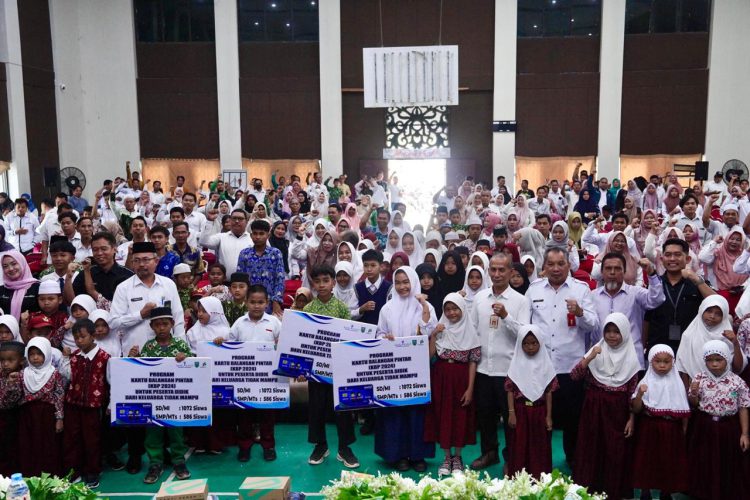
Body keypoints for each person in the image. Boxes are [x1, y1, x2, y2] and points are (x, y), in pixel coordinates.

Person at [526, 247, 597, 465]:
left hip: (570, 366)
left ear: (569, 265)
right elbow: (526, 325)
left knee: (572, 418)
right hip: (542, 365)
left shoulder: (581, 289)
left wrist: (580, 313)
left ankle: (573, 458)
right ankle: (540, 460)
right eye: (551, 264)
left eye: (560, 264)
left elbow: (593, 325)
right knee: (541, 417)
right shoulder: (534, 289)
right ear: (544, 267)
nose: (556, 269)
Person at [571, 313, 640, 499]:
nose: (611, 336)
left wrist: (631, 419)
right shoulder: (596, 350)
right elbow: (574, 375)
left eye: (616, 332)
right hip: (594, 408)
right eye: (608, 331)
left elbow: (632, 394)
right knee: (591, 447)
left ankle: (612, 490)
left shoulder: (631, 359)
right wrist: (590, 357)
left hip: (618, 412)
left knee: (614, 450)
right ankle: (589, 488)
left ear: (624, 333)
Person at [375, 266, 436, 472]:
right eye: (398, 282)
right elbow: (379, 333)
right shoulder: (387, 308)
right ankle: (398, 455)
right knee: (395, 411)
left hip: (418, 369)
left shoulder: (425, 307)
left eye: (406, 282)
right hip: (393, 369)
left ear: (413, 282)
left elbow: (430, 333)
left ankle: (418, 455)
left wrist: (424, 306)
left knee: (417, 411)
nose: (402, 287)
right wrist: (386, 338)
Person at [303, 265, 359, 468]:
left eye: (326, 280)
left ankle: (344, 448)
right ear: (313, 284)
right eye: (317, 281)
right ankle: (320, 445)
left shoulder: (342, 308)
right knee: (316, 408)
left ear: (333, 282)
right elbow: (303, 341)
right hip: (316, 370)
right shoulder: (308, 310)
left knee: (342, 409)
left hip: (339, 369)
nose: (322, 285)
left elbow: (348, 339)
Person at [128, 307, 192, 484]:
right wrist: (134, 358)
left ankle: (178, 461)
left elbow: (192, 368)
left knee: (176, 431)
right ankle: (155, 463)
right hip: (153, 400)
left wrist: (185, 358)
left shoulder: (180, 345)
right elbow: (140, 371)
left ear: (172, 324)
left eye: (165, 324)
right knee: (153, 432)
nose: (161, 328)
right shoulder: (148, 347)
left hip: (176, 399)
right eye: (157, 325)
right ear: (151, 326)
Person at [424, 293, 481, 475]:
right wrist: (434, 334)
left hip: (461, 379)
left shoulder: (471, 332)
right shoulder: (441, 329)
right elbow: (430, 355)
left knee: (459, 416)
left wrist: (470, 389)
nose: (451, 313)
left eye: (455, 308)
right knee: (443, 415)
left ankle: (458, 457)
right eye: (447, 309)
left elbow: (473, 362)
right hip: (441, 378)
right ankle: (446, 457)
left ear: (462, 308)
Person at [686, 340, 750, 500]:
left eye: (718, 359)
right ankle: (704, 493)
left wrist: (744, 434)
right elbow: (694, 403)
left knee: (727, 461)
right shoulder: (699, 378)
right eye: (709, 360)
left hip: (728, 428)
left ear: (727, 358)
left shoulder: (737, 382)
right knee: (704, 460)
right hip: (704, 426)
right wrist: (693, 393)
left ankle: (724, 493)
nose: (714, 364)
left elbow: (743, 408)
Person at [109, 241, 186, 371]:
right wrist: (140, 315)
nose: (141, 264)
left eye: (146, 260)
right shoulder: (123, 288)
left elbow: (178, 319)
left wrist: (180, 347)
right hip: (135, 355)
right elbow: (113, 322)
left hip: (168, 354)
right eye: (137, 260)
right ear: (132, 263)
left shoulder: (168, 284)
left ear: (156, 261)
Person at [630, 344, 690, 497]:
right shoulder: (646, 381)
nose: (662, 365)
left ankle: (666, 491)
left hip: (671, 428)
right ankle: (645, 491)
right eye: (658, 361)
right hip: (649, 427)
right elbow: (636, 409)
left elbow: (683, 408)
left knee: (668, 460)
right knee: (647, 459)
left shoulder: (677, 383)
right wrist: (640, 395)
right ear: (651, 362)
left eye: (666, 362)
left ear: (673, 362)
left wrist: (684, 428)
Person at [59, 319, 110, 489]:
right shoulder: (74, 356)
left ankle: (92, 471)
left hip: (93, 406)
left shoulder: (105, 357)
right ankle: (73, 472)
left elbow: (112, 382)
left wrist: (110, 404)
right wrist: (65, 358)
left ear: (93, 335)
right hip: (72, 404)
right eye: (76, 337)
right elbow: (66, 376)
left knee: (92, 440)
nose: (79, 340)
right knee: (71, 439)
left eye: (82, 336)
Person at [592, 253, 664, 369]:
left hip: (631, 360)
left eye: (617, 268)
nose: (612, 272)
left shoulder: (635, 293)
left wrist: (651, 274)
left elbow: (657, 300)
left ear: (624, 271)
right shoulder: (592, 296)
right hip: (601, 360)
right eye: (608, 268)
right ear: (602, 272)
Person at [505, 325, 557, 477]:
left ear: (540, 342)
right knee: (520, 444)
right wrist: (511, 413)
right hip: (521, 411)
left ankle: (539, 476)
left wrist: (548, 416)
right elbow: (510, 390)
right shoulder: (516, 364)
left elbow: (549, 392)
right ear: (520, 344)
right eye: (526, 343)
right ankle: (519, 477)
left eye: (534, 343)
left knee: (539, 444)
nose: (530, 347)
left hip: (539, 411)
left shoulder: (546, 364)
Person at [646, 238, 716, 353]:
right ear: (662, 259)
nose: (672, 259)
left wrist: (695, 278)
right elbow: (646, 319)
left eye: (677, 254)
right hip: (659, 349)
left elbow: (717, 303)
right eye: (668, 255)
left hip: (690, 347)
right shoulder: (655, 284)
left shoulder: (697, 283)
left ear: (687, 259)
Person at [19, 337, 65, 477]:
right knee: (29, 445)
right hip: (27, 416)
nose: (35, 358)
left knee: (48, 445)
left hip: (47, 415)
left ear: (47, 354)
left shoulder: (54, 373)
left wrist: (59, 418)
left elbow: (59, 396)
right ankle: (31, 476)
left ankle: (50, 477)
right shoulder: (23, 374)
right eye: (31, 354)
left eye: (39, 354)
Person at [675, 295, 744, 385]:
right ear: (702, 310)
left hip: (724, 387)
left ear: (724, 316)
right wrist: (687, 389)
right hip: (695, 386)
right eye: (709, 311)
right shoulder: (689, 335)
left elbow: (738, 368)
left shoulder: (728, 337)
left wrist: (735, 343)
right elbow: (682, 366)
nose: (712, 316)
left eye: (718, 314)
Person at [68, 231, 134, 307]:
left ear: (115, 249)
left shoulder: (128, 275)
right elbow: (72, 301)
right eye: (95, 249)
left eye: (104, 249)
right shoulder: (85, 274)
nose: (99, 253)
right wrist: (68, 278)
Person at [236, 220, 285, 317]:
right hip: (249, 301)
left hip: (270, 302)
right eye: (255, 233)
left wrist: (276, 301)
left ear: (268, 235)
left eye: (261, 234)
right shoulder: (244, 254)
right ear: (251, 235)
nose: (258, 237)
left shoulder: (275, 253)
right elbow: (240, 280)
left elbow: (280, 278)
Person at [201, 208, 252, 276]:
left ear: (246, 221)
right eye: (234, 218)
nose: (237, 221)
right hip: (224, 281)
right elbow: (204, 242)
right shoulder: (221, 237)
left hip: (246, 281)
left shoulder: (252, 239)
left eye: (240, 219)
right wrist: (209, 221)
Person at [0, 340, 24, 476]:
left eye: (10, 360)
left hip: (14, 419)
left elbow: (8, 403)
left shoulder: (21, 376)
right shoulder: (2, 375)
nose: (5, 364)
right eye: (2, 360)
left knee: (12, 451)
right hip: (2, 421)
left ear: (21, 361)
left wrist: (10, 385)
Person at [0, 250, 40, 317]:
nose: (10, 269)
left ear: (22, 263)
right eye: (5, 266)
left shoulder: (37, 288)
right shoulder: (1, 290)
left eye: (14, 264)